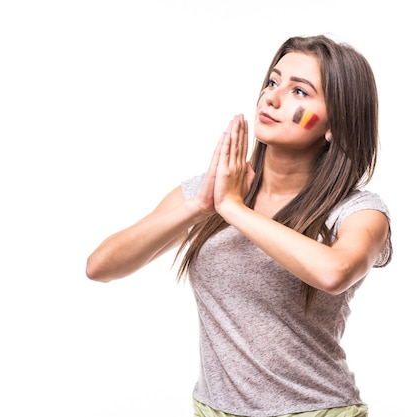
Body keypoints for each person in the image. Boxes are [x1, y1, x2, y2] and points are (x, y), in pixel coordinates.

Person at [86, 34, 393, 417]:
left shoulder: (358, 211)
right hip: (214, 409)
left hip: (316, 410)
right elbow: (100, 267)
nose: (272, 98)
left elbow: (334, 272)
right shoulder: (212, 192)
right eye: (273, 81)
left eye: (300, 92)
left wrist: (234, 209)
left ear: (335, 123)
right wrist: (201, 205)